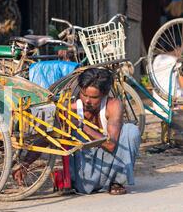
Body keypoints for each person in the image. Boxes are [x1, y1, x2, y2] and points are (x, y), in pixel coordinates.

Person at [13, 68, 141, 195]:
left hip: (109, 161)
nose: (87, 101)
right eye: (84, 94)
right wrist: (25, 164)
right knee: (62, 128)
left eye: (94, 97)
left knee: (131, 131)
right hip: (85, 172)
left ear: (104, 94)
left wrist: (80, 125)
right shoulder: (71, 109)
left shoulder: (113, 105)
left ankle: (117, 182)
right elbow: (46, 137)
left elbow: (111, 144)